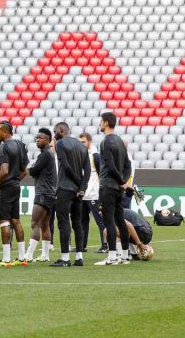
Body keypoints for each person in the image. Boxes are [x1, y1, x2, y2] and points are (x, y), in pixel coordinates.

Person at [52, 122, 91, 267]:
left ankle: (65, 258)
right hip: (78, 191)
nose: (54, 135)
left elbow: (66, 166)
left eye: (55, 131)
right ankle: (79, 257)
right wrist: (82, 187)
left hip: (65, 187)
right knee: (77, 223)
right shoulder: (82, 146)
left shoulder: (60, 143)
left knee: (63, 222)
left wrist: (77, 182)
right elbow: (87, 169)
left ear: (61, 130)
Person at [96, 111, 132, 266]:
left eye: (101, 121)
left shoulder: (105, 142)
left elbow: (110, 166)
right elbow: (128, 165)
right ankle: (125, 255)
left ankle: (111, 256)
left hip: (108, 186)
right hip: (118, 189)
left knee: (109, 220)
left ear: (105, 123)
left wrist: (120, 181)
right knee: (120, 220)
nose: (99, 124)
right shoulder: (120, 141)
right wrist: (123, 182)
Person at [0, 120, 28, 266]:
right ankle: (22, 257)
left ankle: (6, 259)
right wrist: (15, 180)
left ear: (5, 132)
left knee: (4, 221)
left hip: (5, 188)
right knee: (16, 221)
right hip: (15, 186)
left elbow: (4, 171)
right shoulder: (20, 144)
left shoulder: (3, 147)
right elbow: (25, 171)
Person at [26, 128, 57, 264]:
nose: (38, 140)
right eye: (37, 138)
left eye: (41, 138)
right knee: (45, 225)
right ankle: (45, 255)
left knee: (35, 223)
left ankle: (28, 255)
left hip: (43, 193)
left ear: (48, 140)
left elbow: (33, 171)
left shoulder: (45, 155)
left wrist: (31, 168)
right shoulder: (49, 154)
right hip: (50, 193)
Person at [79, 132, 107, 253]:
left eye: (84, 142)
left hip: (94, 194)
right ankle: (82, 246)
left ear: (89, 142)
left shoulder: (95, 156)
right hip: (83, 195)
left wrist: (101, 194)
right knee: (83, 222)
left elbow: (102, 175)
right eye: (80, 142)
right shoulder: (81, 155)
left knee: (100, 221)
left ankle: (105, 245)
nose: (82, 144)